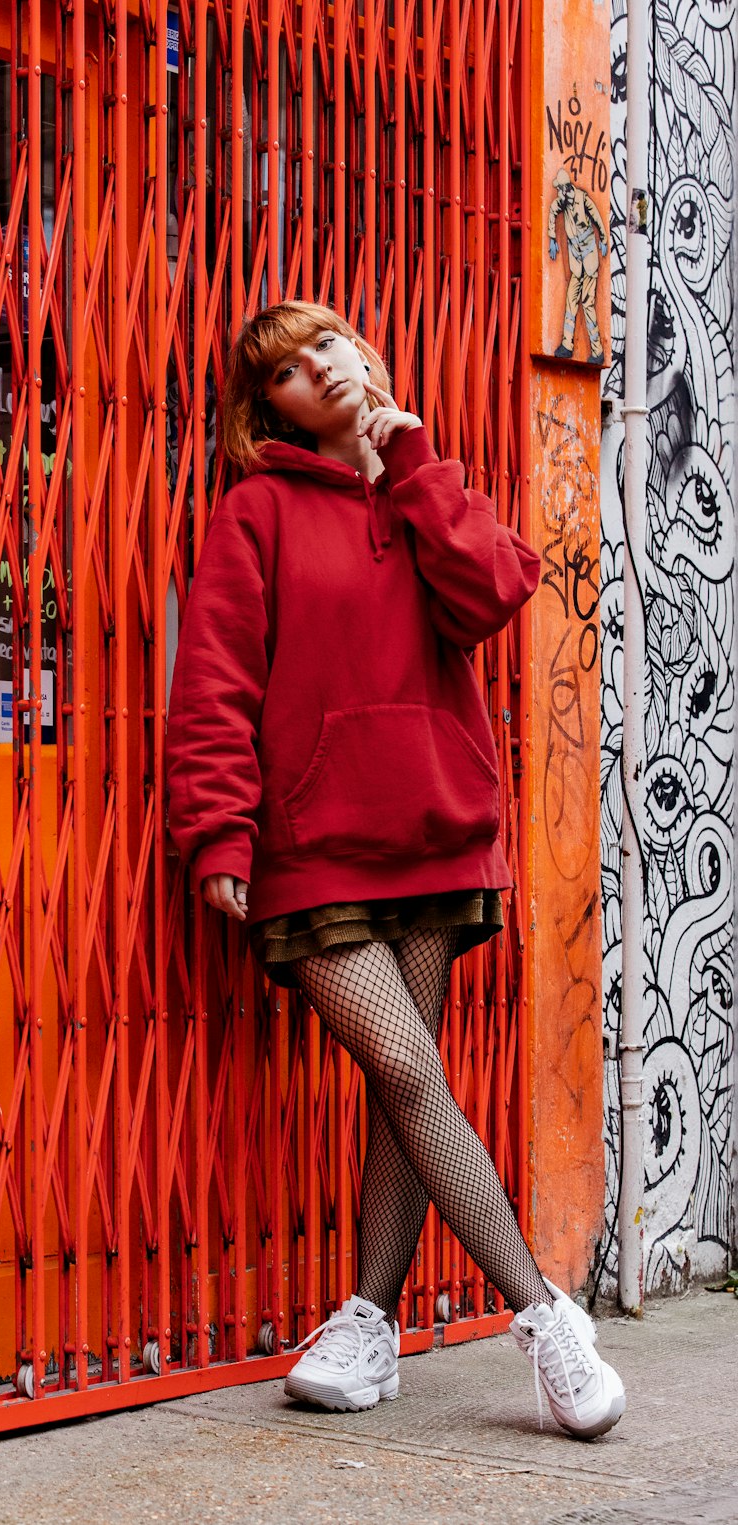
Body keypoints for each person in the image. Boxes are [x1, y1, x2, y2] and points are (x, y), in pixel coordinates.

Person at [165, 300, 625, 1439]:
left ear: (362, 357)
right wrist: (218, 830)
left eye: (327, 343)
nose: (317, 367)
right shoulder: (255, 510)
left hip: (433, 828)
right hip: (313, 847)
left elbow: (493, 591)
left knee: (400, 1088)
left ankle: (369, 1323)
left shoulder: (427, 485)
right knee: (409, 1073)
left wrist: (412, 462)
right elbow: (215, 679)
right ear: (262, 408)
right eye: (284, 367)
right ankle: (545, 1315)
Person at [548, 166, 609, 364]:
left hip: (589, 257)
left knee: (588, 301)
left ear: (566, 189)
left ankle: (597, 351)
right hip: (576, 260)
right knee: (571, 299)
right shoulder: (563, 203)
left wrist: (604, 239)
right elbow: (552, 211)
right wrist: (551, 238)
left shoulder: (583, 199)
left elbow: (598, 219)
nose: (558, 194)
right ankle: (567, 345)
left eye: (560, 190)